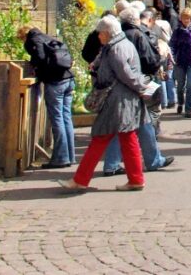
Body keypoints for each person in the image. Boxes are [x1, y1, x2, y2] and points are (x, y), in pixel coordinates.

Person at [59, 16, 150, 191]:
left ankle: (80, 180)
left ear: (108, 33)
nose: (99, 37)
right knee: (127, 137)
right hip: (123, 99)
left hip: (117, 100)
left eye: (100, 33)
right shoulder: (119, 44)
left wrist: (141, 87)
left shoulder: (116, 49)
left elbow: (126, 74)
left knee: (100, 137)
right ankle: (136, 179)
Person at [102, 7, 173, 176]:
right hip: (136, 84)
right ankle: (118, 164)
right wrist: (158, 62)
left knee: (140, 123)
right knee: (132, 124)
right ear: (135, 20)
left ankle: (151, 159)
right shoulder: (137, 35)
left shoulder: (118, 38)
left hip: (128, 85)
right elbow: (147, 61)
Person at [22, 26, 76, 169]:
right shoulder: (49, 38)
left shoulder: (33, 40)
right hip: (68, 79)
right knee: (66, 117)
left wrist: (35, 67)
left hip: (55, 82)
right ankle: (70, 156)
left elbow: (39, 57)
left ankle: (61, 158)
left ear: (24, 35)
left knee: (57, 118)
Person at [170, 7, 191, 118]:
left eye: (188, 18)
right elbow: (172, 45)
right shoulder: (177, 31)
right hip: (180, 61)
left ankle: (188, 110)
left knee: (190, 85)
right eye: (184, 18)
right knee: (180, 86)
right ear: (180, 19)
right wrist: (172, 57)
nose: (186, 20)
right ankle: (180, 102)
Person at [154, 19, 176, 110]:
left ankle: (164, 102)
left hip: (160, 56)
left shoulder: (156, 36)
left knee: (161, 79)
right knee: (169, 79)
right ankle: (172, 99)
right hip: (167, 56)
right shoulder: (166, 26)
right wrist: (172, 61)